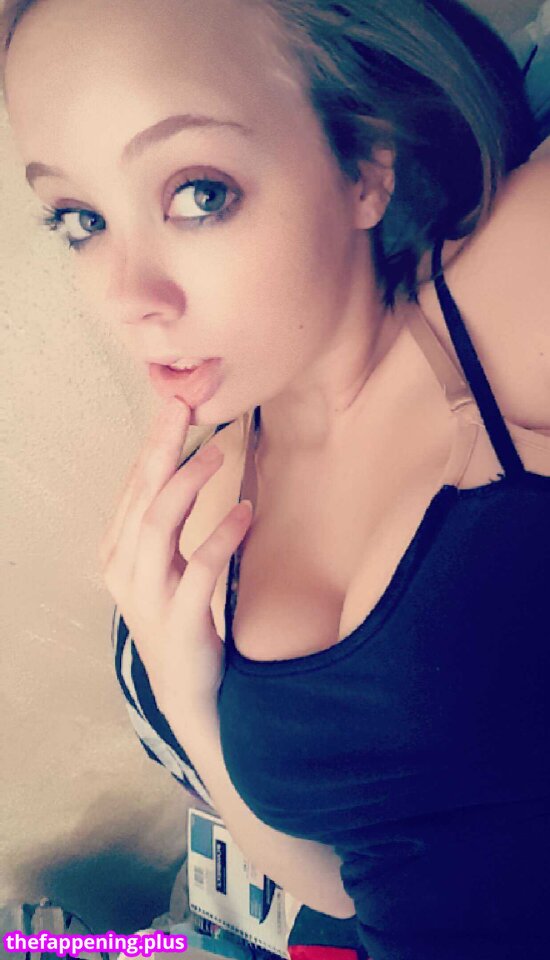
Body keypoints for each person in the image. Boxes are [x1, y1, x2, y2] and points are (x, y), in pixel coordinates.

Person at [2, 0, 549, 957]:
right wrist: (183, 691)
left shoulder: (510, 291)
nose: (129, 297)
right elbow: (346, 882)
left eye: (199, 193)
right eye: (81, 219)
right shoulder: (211, 506)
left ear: (366, 165)